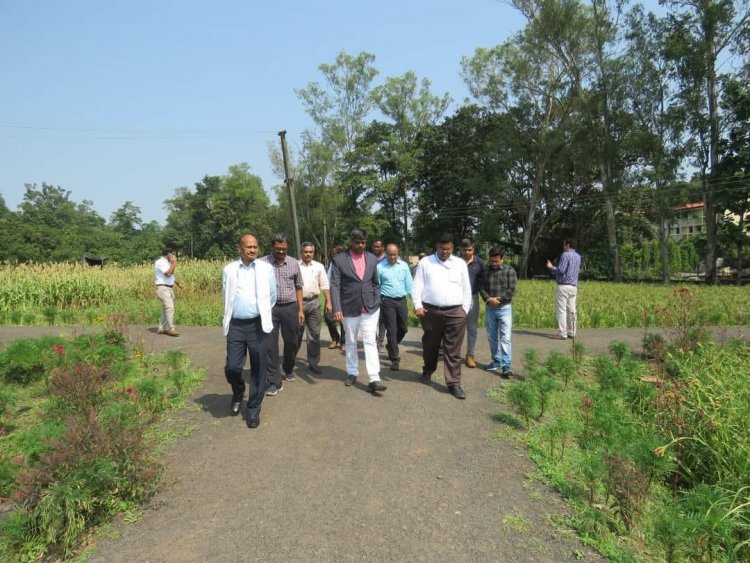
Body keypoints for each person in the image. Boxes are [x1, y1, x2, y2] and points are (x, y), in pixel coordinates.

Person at [221, 234, 277, 429]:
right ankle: (238, 392)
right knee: (233, 367)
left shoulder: (266, 269)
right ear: (240, 248)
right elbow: (225, 294)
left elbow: (272, 296)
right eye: (248, 247)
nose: (252, 250)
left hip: (258, 325)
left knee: (259, 367)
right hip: (236, 325)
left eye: (255, 246)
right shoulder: (229, 270)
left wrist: (260, 312)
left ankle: (253, 408)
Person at [411, 233, 472, 399]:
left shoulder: (460, 264)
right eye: (441, 248)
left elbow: (467, 289)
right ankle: (428, 370)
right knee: (430, 346)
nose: (445, 252)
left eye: (448, 248)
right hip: (431, 312)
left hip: (455, 312)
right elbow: (417, 286)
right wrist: (417, 305)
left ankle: (453, 383)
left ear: (452, 246)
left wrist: (464, 310)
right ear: (436, 246)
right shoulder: (425, 263)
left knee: (453, 350)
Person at [330, 229, 387, 394]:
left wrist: (376, 299)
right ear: (351, 241)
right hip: (348, 307)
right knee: (351, 341)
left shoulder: (371, 258)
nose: (360, 245)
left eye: (363, 242)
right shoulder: (339, 260)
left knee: (370, 340)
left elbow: (376, 283)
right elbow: (335, 285)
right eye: (357, 242)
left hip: (370, 307)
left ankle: (374, 378)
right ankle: (352, 372)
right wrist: (337, 308)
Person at [263, 234, 304, 395]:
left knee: (292, 341)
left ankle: (288, 368)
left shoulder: (293, 263)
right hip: (270, 309)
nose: (281, 252)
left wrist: (300, 310)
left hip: (290, 307)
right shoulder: (262, 263)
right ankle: (274, 380)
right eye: (278, 249)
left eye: (284, 249)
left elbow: (299, 287)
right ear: (272, 247)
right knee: (270, 344)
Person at [479, 247, 517, 378]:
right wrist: (489, 299)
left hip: (504, 308)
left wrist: (499, 300)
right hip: (490, 308)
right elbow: (481, 287)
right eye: (491, 261)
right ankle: (496, 361)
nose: (494, 264)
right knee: (492, 337)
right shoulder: (485, 271)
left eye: (496, 261)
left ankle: (506, 366)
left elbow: (511, 289)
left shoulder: (509, 270)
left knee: (505, 338)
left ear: (502, 259)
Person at [297, 242, 332, 375]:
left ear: (313, 253)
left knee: (314, 336)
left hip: (314, 303)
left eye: (310, 252)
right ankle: (290, 362)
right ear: (301, 253)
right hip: (298, 305)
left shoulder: (319, 267)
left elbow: (324, 285)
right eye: (305, 252)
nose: (308, 254)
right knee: (296, 335)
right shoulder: (295, 266)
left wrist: (329, 302)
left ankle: (313, 363)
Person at [377, 243, 413, 371]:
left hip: (402, 300)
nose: (392, 257)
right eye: (390, 254)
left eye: (395, 254)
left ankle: (391, 346)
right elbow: (377, 286)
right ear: (386, 254)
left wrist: (415, 302)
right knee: (391, 330)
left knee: (403, 328)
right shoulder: (380, 267)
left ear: (398, 254)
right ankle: (394, 358)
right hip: (387, 301)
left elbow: (410, 284)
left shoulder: (403, 266)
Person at [546, 238, 582, 340]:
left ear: (568, 245)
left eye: (564, 244)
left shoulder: (565, 255)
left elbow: (561, 270)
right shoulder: (578, 256)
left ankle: (562, 333)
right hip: (573, 286)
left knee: (561, 310)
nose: (563, 246)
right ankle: (572, 332)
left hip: (563, 285)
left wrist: (551, 267)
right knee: (572, 310)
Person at [460, 238, 484, 368]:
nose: (467, 252)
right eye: (464, 250)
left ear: (473, 249)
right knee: (456, 327)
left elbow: (483, 282)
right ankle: (453, 354)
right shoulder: (455, 261)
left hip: (473, 298)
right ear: (460, 249)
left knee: (472, 328)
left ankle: (470, 355)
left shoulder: (479, 263)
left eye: (469, 250)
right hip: (457, 298)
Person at [154, 247, 183, 337]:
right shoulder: (160, 262)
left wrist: (177, 282)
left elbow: (171, 275)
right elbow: (167, 274)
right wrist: (174, 263)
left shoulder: (167, 263)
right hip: (163, 288)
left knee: (165, 309)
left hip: (169, 288)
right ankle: (170, 328)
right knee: (170, 308)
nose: (174, 256)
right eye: (173, 254)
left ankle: (161, 328)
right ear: (169, 254)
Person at [325, 245, 345, 349]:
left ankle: (343, 342)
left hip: (344, 295)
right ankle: (335, 338)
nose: (333, 256)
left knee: (344, 319)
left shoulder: (346, 264)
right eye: (333, 254)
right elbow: (327, 280)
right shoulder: (331, 264)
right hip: (331, 293)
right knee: (328, 318)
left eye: (335, 254)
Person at [371, 237, 388, 350]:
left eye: (378, 246)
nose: (376, 248)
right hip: (370, 292)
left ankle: (380, 342)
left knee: (382, 319)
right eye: (374, 247)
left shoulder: (388, 259)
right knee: (371, 318)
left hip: (384, 293)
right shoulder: (369, 258)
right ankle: (374, 340)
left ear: (383, 247)